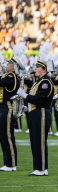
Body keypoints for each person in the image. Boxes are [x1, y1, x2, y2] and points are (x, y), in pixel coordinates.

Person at [16, 41, 54, 176]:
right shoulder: (38, 81)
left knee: (39, 140)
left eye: (38, 66)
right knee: (34, 140)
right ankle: (39, 167)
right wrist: (27, 107)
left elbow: (38, 100)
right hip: (35, 113)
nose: (35, 68)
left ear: (44, 69)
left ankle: (42, 168)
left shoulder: (45, 82)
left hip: (42, 113)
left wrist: (24, 95)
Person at [0, 42, 25, 172]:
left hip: (8, 107)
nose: (7, 64)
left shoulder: (12, 77)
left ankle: (11, 164)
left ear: (14, 66)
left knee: (7, 135)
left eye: (9, 63)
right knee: (3, 136)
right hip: (3, 107)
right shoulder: (8, 75)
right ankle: (7, 163)